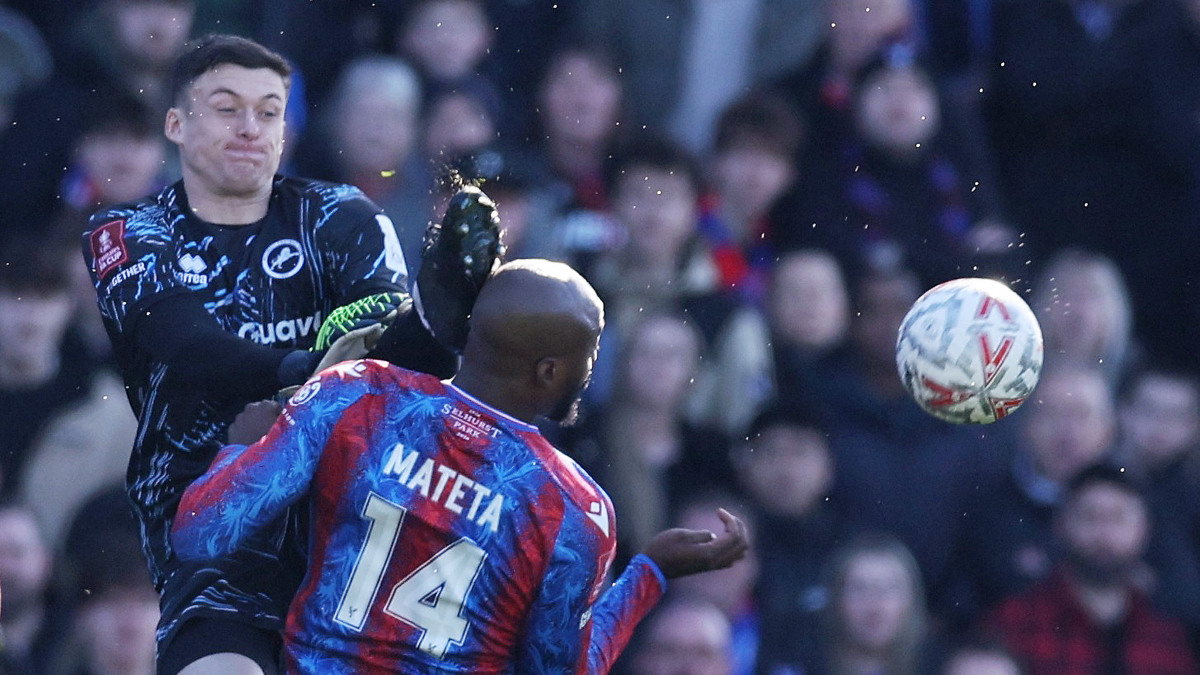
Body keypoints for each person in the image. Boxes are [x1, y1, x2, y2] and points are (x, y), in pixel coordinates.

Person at [80, 34, 502, 675]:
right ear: (176, 124)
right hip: (213, 526)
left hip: (355, 520)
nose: (250, 127)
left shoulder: (341, 215)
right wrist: (301, 376)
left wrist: (432, 320)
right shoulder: (128, 230)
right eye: (226, 108)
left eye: (269, 111)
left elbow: (394, 364)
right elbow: (184, 344)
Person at [171, 259, 750, 673]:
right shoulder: (574, 507)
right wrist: (648, 573)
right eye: (590, 353)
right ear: (549, 371)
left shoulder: (355, 393)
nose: (593, 368)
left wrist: (242, 447)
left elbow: (202, 532)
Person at [986, 464, 1198, 674]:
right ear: (1060, 525)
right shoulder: (1016, 625)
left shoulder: (1168, 636)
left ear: (1143, 529)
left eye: (1118, 518)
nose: (1104, 534)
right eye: (1089, 517)